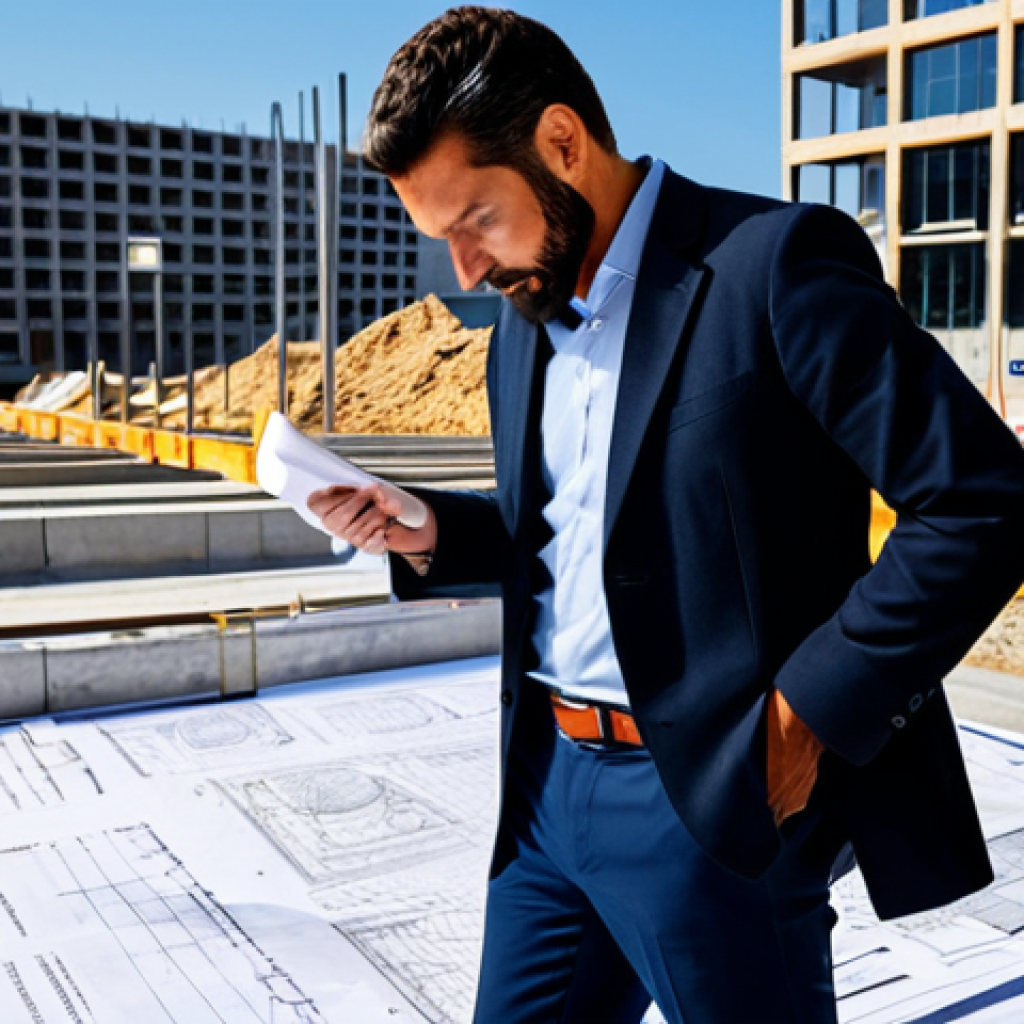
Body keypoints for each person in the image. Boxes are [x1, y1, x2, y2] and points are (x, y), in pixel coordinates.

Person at [307, 8, 1024, 1022]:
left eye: (476, 221)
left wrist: (802, 713)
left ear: (562, 142)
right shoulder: (521, 323)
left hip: (712, 803)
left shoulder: (770, 266)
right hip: (546, 800)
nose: (463, 271)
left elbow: (979, 501)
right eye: (442, 238)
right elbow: (577, 533)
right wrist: (430, 529)